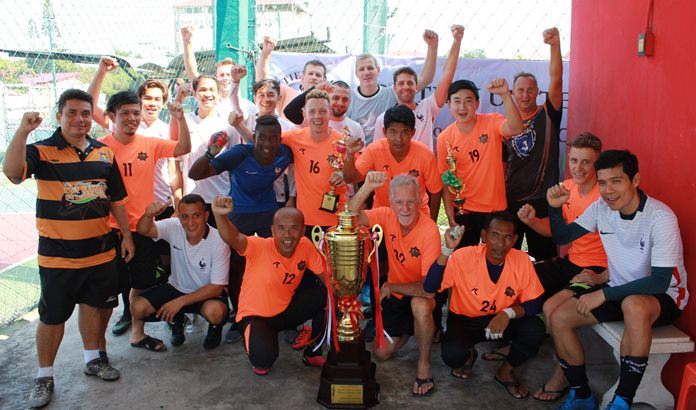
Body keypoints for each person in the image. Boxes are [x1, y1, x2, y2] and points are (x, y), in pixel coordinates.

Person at [2, 90, 134, 408]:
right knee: (52, 317)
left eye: (85, 113)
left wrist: (127, 237)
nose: (79, 119)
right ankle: (44, 376)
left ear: (93, 117)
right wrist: (22, 131)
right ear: (59, 115)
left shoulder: (104, 154)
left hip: (100, 252)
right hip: (58, 255)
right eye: (72, 113)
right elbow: (12, 172)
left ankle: (93, 359)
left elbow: (116, 201)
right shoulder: (41, 150)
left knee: (95, 307)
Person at [545, 150, 689, 410]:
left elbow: (659, 281)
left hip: (663, 296)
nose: (608, 190)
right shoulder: (601, 208)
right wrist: (555, 209)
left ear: (635, 180)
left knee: (633, 305)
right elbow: (563, 237)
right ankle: (581, 394)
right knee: (559, 316)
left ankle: (622, 401)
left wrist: (602, 293)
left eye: (616, 181)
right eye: (602, 183)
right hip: (618, 290)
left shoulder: (661, 217)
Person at [487, 132, 608, 401]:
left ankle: (561, 375)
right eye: (574, 160)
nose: (578, 167)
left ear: (597, 165)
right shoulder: (567, 188)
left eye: (586, 162)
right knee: (518, 282)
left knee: (554, 311)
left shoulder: (605, 196)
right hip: (570, 262)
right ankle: (516, 344)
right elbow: (558, 233)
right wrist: (531, 220)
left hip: (596, 271)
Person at [87, 56, 180, 336]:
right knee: (118, 276)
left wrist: (176, 199)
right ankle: (127, 315)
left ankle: (163, 317)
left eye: (156, 99)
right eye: (145, 99)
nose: (149, 104)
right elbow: (93, 108)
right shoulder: (116, 132)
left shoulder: (163, 131)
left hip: (156, 211)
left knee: (158, 268)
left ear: (162, 103)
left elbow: (179, 161)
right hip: (118, 220)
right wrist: (101, 71)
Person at [98, 90, 191, 353]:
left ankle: (137, 335)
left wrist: (180, 118)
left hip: (142, 229)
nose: (132, 118)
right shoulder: (100, 149)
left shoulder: (150, 144)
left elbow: (183, 147)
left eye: (136, 113)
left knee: (141, 283)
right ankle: (98, 350)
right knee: (104, 294)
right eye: (125, 113)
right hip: (109, 230)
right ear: (112, 116)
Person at [189, 114, 293, 344]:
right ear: (254, 137)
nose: (267, 144)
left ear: (280, 139)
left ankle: (281, 315)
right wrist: (211, 152)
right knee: (235, 267)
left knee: (278, 262)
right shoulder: (240, 154)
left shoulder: (285, 153)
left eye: (273, 139)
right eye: (262, 138)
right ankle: (239, 317)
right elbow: (195, 174)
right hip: (239, 213)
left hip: (267, 212)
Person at [424, 212, 546, 400]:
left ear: (514, 240)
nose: (500, 244)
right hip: (466, 320)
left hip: (503, 320)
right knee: (453, 356)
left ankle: (505, 371)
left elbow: (537, 303)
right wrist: (447, 250)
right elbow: (430, 286)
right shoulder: (463, 256)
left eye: (507, 238)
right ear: (484, 235)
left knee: (535, 329)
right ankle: (469, 353)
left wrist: (508, 313)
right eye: (495, 235)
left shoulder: (521, 260)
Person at [346, 172, 441, 396]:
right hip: (397, 297)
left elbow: (428, 289)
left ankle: (423, 364)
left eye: (410, 201)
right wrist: (367, 187)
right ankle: (409, 331)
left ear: (419, 201)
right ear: (390, 203)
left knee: (420, 306)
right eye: (399, 202)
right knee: (380, 353)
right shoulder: (386, 215)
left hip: (422, 294)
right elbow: (348, 218)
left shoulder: (430, 231)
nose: (405, 208)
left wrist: (392, 286)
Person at [211, 198, 327, 374]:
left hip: (285, 311)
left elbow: (327, 278)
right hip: (256, 316)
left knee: (326, 295)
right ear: (272, 230)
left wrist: (345, 297)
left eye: (294, 228)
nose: (287, 235)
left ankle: (314, 351)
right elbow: (233, 237)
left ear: (303, 230)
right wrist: (220, 217)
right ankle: (257, 337)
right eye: (281, 228)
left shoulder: (305, 245)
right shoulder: (259, 246)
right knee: (263, 363)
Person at [132, 194, 230, 350]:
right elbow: (143, 230)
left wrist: (180, 301)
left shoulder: (219, 240)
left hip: (206, 293)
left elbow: (217, 287)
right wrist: (149, 215)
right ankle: (177, 320)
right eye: (184, 217)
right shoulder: (174, 226)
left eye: (196, 216)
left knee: (216, 312)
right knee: (137, 308)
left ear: (206, 216)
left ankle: (215, 327)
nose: (190, 223)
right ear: (179, 216)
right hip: (176, 287)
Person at [436, 79, 524, 247]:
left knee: (494, 260)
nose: (462, 107)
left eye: (468, 101)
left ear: (477, 103)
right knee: (464, 260)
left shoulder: (491, 122)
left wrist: (505, 95)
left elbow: (516, 128)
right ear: (448, 104)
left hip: (494, 211)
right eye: (456, 101)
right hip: (463, 211)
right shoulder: (443, 139)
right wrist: (449, 212)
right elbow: (446, 179)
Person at [505, 27, 564, 262]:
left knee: (545, 259)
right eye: (520, 90)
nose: (525, 95)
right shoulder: (504, 126)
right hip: (511, 201)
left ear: (538, 92)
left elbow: (557, 79)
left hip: (543, 199)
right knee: (508, 259)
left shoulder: (549, 115)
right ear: (512, 93)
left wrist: (554, 45)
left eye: (530, 90)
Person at [373, 25, 463, 151]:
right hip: (395, 171)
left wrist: (457, 41)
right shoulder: (383, 119)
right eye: (401, 83)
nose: (406, 87)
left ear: (416, 87)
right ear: (394, 88)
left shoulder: (428, 107)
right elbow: (378, 152)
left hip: (424, 170)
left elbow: (447, 76)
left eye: (410, 83)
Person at [347, 30, 439, 145]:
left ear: (378, 70)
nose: (366, 72)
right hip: (357, 155)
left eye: (370, 68)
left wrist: (432, 47)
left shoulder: (392, 92)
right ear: (356, 74)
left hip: (387, 155)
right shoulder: (348, 98)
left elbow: (426, 78)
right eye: (362, 69)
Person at [171, 74, 238, 224]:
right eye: (202, 90)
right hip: (193, 197)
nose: (207, 94)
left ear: (219, 94)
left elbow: (234, 163)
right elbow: (175, 162)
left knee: (223, 245)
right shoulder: (184, 120)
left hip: (221, 197)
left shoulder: (228, 123)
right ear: (194, 94)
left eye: (211, 90)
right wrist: (178, 202)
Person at [281, 89, 347, 231]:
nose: (317, 116)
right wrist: (239, 125)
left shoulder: (343, 141)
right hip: (305, 222)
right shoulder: (293, 137)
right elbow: (265, 140)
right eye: (312, 111)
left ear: (330, 112)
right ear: (304, 114)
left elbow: (359, 172)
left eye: (323, 111)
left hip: (336, 222)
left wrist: (344, 175)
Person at [180, 25, 256, 118]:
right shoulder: (209, 100)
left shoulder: (248, 107)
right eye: (221, 75)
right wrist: (187, 42)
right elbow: (192, 73)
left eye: (229, 75)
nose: (225, 78)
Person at [255, 35, 328, 116]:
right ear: (302, 78)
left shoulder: (329, 102)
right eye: (310, 74)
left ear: (324, 80)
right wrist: (266, 53)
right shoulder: (288, 94)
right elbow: (263, 84)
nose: (314, 77)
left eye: (318, 75)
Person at [283, 80, 365, 143]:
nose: (340, 103)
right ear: (328, 97)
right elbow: (289, 111)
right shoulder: (315, 119)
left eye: (345, 99)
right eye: (336, 98)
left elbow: (358, 157)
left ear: (349, 102)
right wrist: (315, 88)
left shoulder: (356, 128)